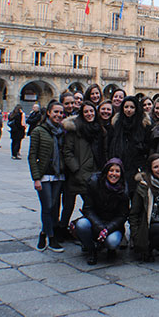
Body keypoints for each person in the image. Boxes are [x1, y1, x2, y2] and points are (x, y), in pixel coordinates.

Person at [61, 100, 105, 238]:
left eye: (91, 111)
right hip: (76, 175)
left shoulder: (98, 130)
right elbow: (67, 151)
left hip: (92, 175)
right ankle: (61, 231)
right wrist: (76, 169)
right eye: (86, 111)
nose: (89, 114)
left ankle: (88, 233)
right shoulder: (74, 130)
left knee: (90, 207)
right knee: (68, 206)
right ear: (82, 113)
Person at [77, 158, 130, 265]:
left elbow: (122, 215)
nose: (114, 174)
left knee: (112, 242)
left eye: (117, 171)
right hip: (95, 221)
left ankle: (111, 249)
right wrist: (100, 227)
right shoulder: (94, 182)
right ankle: (92, 250)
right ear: (106, 171)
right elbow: (88, 209)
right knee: (81, 224)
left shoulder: (123, 189)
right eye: (111, 170)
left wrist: (108, 229)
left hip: (113, 226)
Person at [29, 100, 66, 253]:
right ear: (49, 113)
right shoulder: (38, 131)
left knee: (54, 207)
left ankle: (43, 233)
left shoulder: (63, 131)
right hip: (44, 176)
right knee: (48, 206)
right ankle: (51, 239)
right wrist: (36, 178)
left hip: (58, 176)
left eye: (60, 112)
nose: (58, 115)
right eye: (55, 112)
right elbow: (32, 156)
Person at [108, 95, 151, 195]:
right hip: (119, 165)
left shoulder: (143, 125)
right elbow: (109, 144)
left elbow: (148, 145)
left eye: (132, 107)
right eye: (126, 107)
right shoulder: (116, 124)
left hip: (136, 166)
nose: (129, 110)